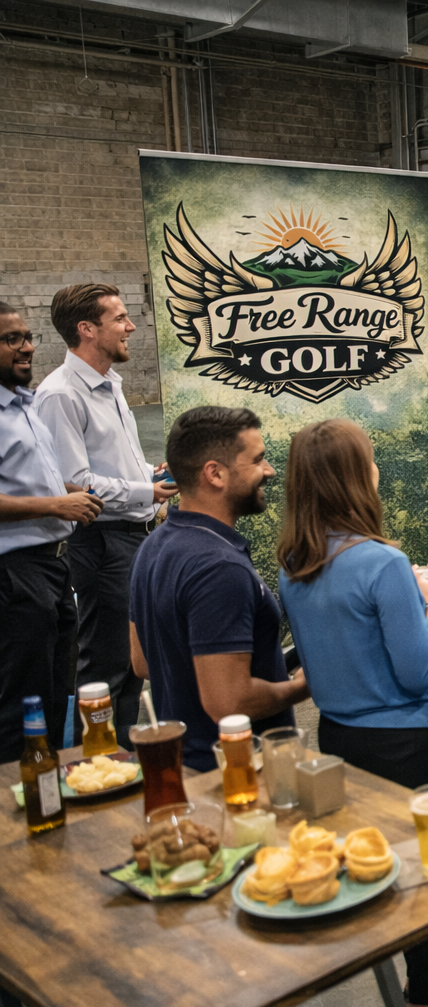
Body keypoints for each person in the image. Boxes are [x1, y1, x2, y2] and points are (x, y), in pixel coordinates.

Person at [276, 419, 428, 1007]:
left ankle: (422, 991)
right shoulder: (382, 563)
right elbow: (421, 670)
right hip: (409, 747)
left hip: (340, 742)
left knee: (377, 868)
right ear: (354, 477)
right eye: (369, 458)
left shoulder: (294, 562)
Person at [34, 284, 177, 747]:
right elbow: (75, 483)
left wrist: (149, 474)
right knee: (107, 666)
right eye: (119, 318)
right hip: (100, 542)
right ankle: (98, 765)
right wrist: (146, 490)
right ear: (87, 329)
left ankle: (123, 761)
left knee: (132, 663)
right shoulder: (60, 395)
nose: (131, 326)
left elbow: (109, 465)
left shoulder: (109, 383)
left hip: (132, 537)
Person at [128, 406, 309, 772]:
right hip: (234, 773)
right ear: (215, 473)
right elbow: (229, 703)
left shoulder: (152, 547)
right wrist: (303, 686)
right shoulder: (219, 568)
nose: (269, 470)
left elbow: (142, 661)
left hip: (185, 767)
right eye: (257, 460)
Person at [0, 301, 102, 760]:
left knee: (58, 691)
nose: (27, 347)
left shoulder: (23, 405)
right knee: (24, 705)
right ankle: (16, 797)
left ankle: (50, 788)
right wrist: (56, 504)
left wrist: (64, 490)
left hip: (54, 570)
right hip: (16, 574)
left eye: (27, 337)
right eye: (11, 339)